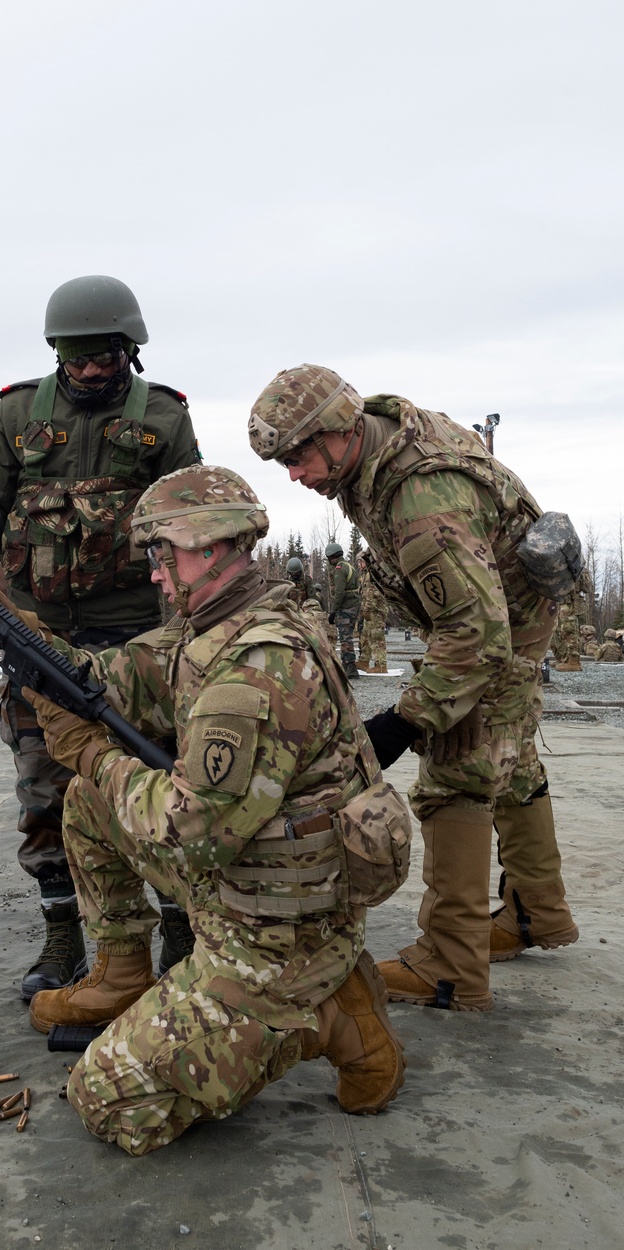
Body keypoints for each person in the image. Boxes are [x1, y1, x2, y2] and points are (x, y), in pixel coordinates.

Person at [0, 465, 410, 1155]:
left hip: (276, 936)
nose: (155, 574)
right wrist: (24, 635)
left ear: (214, 548)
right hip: (255, 886)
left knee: (108, 1100)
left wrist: (97, 756)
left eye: (163, 554)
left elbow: (187, 837)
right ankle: (124, 972)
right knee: (88, 804)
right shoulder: (216, 625)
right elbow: (108, 677)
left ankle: (326, 1015)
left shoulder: (257, 665)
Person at [248, 364, 580, 1011]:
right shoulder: (375, 448)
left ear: (340, 430)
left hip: (495, 628)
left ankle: (450, 969)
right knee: (509, 760)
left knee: (454, 771)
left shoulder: (418, 493)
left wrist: (404, 724)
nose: (293, 473)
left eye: (297, 456)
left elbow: (475, 633)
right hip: (505, 615)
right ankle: (536, 914)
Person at [0, 275, 201, 1000]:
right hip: (36, 634)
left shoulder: (164, 419)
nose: (88, 371)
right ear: (55, 354)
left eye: (102, 356)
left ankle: (179, 929)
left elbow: (187, 521)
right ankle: (62, 935)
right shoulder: (14, 416)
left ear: (128, 351)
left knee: (155, 776)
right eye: (74, 358)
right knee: (43, 790)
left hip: (138, 638)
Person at [325, 542, 361, 679]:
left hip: (345, 607)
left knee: (345, 638)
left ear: (331, 556)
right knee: (348, 636)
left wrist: (333, 611)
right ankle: (347, 665)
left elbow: (339, 592)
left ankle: (350, 669)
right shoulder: (349, 566)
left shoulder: (339, 569)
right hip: (354, 606)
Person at [357, 551, 389, 674]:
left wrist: (367, 608)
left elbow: (371, 594)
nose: (359, 565)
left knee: (376, 637)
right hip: (369, 610)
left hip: (375, 611)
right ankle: (364, 661)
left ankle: (381, 665)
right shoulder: (366, 574)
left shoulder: (373, 573)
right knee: (365, 636)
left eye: (361, 562)